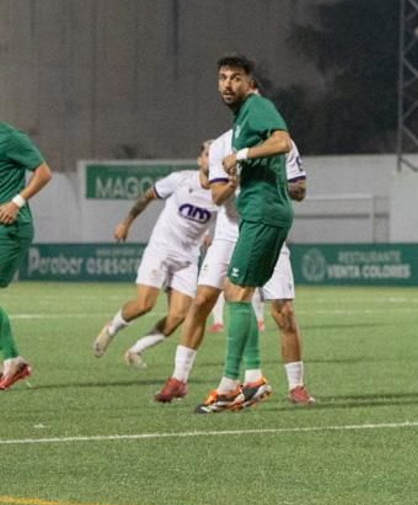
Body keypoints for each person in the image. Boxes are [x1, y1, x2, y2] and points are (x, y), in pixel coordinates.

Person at [188, 55, 297, 413]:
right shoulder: (244, 116)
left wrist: (243, 154)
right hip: (263, 214)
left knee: (235, 292)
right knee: (240, 293)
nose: (227, 84)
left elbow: (283, 141)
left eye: (236, 78)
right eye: (222, 78)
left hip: (264, 213)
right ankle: (249, 382)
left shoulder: (257, 106)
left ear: (250, 83)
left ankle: (229, 387)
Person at [93, 144, 216, 368]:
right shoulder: (180, 180)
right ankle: (111, 328)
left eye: (217, 155)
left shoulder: (221, 193)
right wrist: (125, 222)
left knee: (178, 315)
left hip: (187, 259)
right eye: (208, 154)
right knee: (144, 305)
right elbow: (146, 197)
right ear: (200, 160)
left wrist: (207, 233)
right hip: (161, 249)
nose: (212, 158)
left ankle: (135, 350)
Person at [0, 121, 52, 393]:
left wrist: (16, 202)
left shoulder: (10, 138)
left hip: (9, 227)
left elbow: (44, 173)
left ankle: (13, 359)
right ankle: (11, 359)